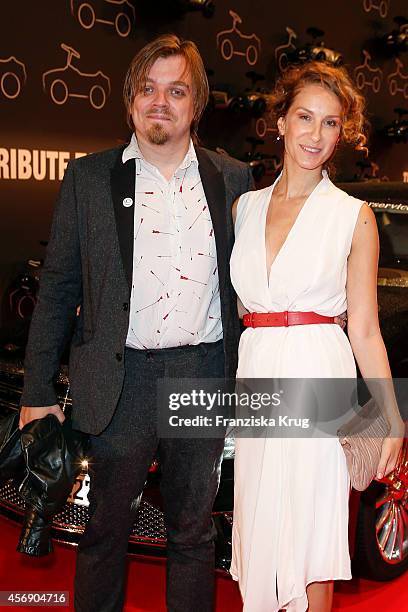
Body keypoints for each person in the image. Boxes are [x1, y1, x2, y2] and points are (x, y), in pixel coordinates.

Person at [19, 34, 253, 612]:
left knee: (194, 533)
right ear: (129, 100)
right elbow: (57, 292)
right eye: (147, 88)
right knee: (102, 532)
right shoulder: (89, 180)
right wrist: (36, 391)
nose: (159, 102)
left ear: (195, 104)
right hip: (120, 380)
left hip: (204, 371)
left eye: (176, 91)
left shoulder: (234, 179)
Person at [229, 62, 404, 612]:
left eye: (330, 124)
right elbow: (243, 308)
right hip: (257, 376)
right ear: (279, 122)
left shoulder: (352, 217)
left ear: (341, 134)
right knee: (258, 536)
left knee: (311, 545)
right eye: (304, 117)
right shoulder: (245, 207)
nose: (315, 135)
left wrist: (391, 421)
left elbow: (368, 331)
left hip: (318, 378)